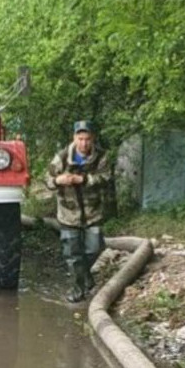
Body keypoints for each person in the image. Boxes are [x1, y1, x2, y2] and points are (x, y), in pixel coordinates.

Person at [45, 121, 113, 303]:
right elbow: (48, 180)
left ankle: (84, 276)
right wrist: (59, 180)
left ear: (93, 139)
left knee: (95, 247)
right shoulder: (61, 157)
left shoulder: (101, 157)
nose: (84, 143)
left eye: (87, 139)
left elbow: (105, 178)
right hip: (68, 212)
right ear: (74, 138)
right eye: (80, 139)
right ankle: (77, 288)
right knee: (72, 254)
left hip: (93, 211)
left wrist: (81, 179)